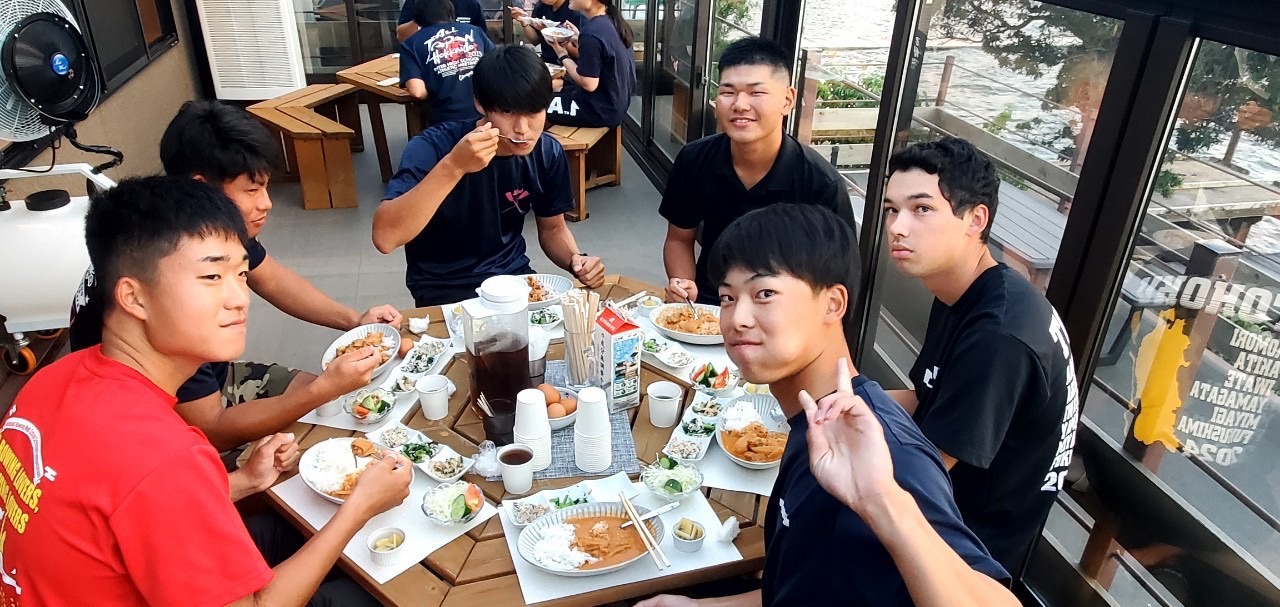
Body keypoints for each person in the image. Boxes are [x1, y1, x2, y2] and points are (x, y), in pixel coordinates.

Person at [1, 176, 412, 605]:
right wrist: (359, 507)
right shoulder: (164, 456)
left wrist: (245, 481)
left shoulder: (52, 379)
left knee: (288, 530)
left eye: (241, 274)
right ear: (134, 298)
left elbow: (120, 510)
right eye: (212, 276)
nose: (239, 299)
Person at [637, 204, 1015, 607]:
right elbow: (804, 587)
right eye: (728, 297)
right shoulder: (813, 422)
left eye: (764, 294)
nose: (737, 318)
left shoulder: (882, 451)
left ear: (833, 304)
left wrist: (883, 502)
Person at [69, 100, 402, 455]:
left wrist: (354, 322)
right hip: (162, 423)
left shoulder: (194, 224)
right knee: (309, 439)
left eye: (239, 273)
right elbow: (212, 428)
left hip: (212, 377)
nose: (267, 203)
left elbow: (271, 278)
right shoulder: (172, 294)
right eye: (252, 190)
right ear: (204, 186)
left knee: (322, 401)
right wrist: (321, 391)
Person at [882, 137, 1079, 576]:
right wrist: (826, 400)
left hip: (963, 553)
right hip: (945, 510)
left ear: (976, 219)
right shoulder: (964, 289)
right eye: (891, 210)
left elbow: (923, 476)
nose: (897, 227)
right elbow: (927, 400)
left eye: (921, 209)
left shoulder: (999, 334)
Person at [373, 45, 605, 306]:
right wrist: (454, 166)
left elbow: (553, 229)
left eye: (533, 111)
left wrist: (576, 260)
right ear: (480, 104)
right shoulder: (432, 147)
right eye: (507, 112)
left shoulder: (547, 152)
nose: (522, 129)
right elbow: (385, 238)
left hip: (513, 279)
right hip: (444, 288)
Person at [659, 37, 855, 306]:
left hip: (784, 313)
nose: (740, 104)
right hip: (711, 303)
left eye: (756, 93)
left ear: (787, 100)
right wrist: (684, 288)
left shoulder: (820, 183)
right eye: (728, 92)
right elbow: (679, 239)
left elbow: (837, 278)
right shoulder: (695, 159)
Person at [544, 0, 636, 127]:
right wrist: (578, 37)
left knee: (537, 105)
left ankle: (549, 140)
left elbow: (589, 83)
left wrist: (562, 55)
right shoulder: (609, 21)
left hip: (599, 110)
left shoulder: (591, 32)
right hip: (614, 104)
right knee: (554, 88)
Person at [401, 0, 495, 124]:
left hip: (446, 121)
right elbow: (497, 65)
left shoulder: (411, 44)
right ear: (451, 13)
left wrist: (437, 87)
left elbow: (417, 92)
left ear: (417, 19)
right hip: (487, 115)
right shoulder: (475, 31)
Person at [509, 0, 586, 65]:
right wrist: (524, 21)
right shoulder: (541, 5)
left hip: (571, 66)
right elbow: (535, 41)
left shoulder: (575, 10)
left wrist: (554, 34)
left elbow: (580, 54)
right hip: (546, 62)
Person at [397, 0, 486, 41]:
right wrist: (420, 20)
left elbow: (482, 38)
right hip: (427, 58)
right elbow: (401, 35)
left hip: (465, 58)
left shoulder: (471, 4)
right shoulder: (417, 2)